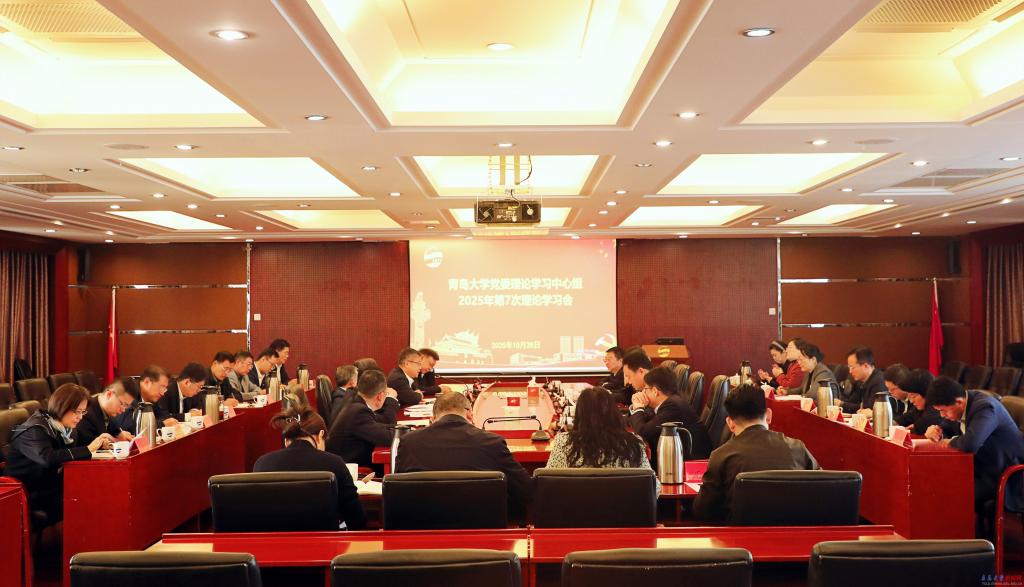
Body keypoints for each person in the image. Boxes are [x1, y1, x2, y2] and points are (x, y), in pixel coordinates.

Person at [693, 383, 819, 522]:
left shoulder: (720, 456)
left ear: (730, 423)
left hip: (740, 535)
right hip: (793, 533)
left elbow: (703, 511)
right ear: (769, 415)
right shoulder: (797, 448)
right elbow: (821, 490)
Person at [395, 391, 532, 514]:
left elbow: (398, 492)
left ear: (432, 419)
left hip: (423, 527)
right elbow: (526, 491)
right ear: (470, 414)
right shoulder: (492, 442)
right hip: (483, 527)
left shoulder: (408, 442)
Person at [926, 376, 1024, 535]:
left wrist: (950, 442)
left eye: (943, 410)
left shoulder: (985, 407)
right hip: (981, 468)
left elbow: (970, 443)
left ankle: (963, 543)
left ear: (959, 402)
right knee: (934, 482)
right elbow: (948, 425)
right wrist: (938, 429)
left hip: (1005, 475)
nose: (942, 415)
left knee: (949, 492)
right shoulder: (964, 402)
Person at [6, 383, 114, 522]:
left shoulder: (66, 429)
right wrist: (89, 449)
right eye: (77, 411)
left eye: (83, 412)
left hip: (50, 484)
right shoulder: (34, 429)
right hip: (26, 491)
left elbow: (84, 444)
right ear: (62, 406)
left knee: (97, 489)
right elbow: (47, 458)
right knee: (86, 500)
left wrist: (100, 444)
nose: (80, 417)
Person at [254, 406, 367, 530]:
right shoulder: (334, 463)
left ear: (286, 440)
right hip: (325, 541)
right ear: (321, 435)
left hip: (274, 541)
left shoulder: (262, 464)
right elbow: (357, 520)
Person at [543, 387, 659, 492]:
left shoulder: (564, 442)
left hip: (576, 508)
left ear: (579, 413)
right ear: (614, 412)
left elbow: (547, 484)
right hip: (623, 508)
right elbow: (654, 488)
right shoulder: (633, 443)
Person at [628, 361, 711, 467]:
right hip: (677, 460)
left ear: (655, 391)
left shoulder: (673, 406)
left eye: (645, 389)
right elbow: (644, 421)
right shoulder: (670, 402)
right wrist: (636, 408)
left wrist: (638, 408)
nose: (643, 393)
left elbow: (643, 432)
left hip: (690, 466)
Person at [326, 369, 399, 473]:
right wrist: (409, 433)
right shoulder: (358, 412)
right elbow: (386, 438)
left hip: (349, 461)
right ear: (380, 396)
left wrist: (401, 428)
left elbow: (378, 425)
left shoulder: (354, 402)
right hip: (348, 469)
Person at [898, 368, 958, 436]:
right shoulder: (920, 406)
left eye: (914, 396)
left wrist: (915, 428)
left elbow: (925, 423)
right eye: (909, 396)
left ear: (926, 392)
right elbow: (907, 417)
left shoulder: (937, 407)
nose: (911, 401)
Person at [75, 379, 135, 447]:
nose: (123, 410)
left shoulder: (107, 411)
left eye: (126, 406)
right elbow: (91, 446)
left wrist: (120, 434)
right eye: (122, 404)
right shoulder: (85, 412)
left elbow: (115, 432)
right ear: (109, 394)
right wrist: (115, 440)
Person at [117, 365, 174, 433]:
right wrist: (162, 424)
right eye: (162, 387)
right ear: (147, 382)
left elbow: (164, 417)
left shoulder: (153, 397)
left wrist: (163, 422)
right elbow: (129, 426)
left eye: (165, 388)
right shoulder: (129, 389)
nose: (162, 393)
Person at [842, 346, 889, 415]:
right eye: (849, 368)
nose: (850, 371)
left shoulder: (878, 382)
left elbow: (869, 409)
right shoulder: (860, 381)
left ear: (865, 366)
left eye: (852, 367)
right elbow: (853, 402)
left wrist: (842, 404)